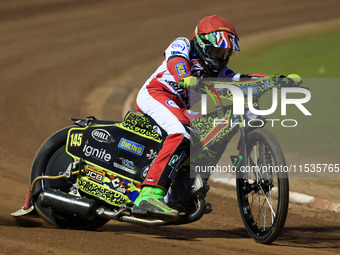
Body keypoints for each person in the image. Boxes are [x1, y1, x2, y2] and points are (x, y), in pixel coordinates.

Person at [132, 14, 266, 221]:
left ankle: (182, 191)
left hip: (179, 107)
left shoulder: (218, 71)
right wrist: (184, 77)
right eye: (215, 51)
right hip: (156, 94)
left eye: (225, 53)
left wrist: (275, 80)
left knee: (212, 131)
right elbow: (176, 60)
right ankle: (149, 194)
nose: (220, 57)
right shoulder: (183, 44)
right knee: (182, 132)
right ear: (202, 45)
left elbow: (240, 80)